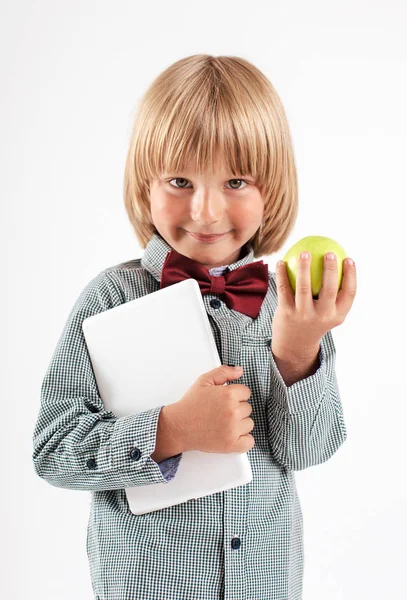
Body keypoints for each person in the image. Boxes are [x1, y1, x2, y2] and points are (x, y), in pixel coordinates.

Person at [32, 54, 357, 600]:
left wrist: (299, 351)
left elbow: (310, 450)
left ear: (270, 190)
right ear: (145, 186)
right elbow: (54, 451)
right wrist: (172, 430)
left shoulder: (292, 304)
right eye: (180, 180)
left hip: (266, 585)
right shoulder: (109, 299)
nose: (206, 212)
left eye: (235, 181)